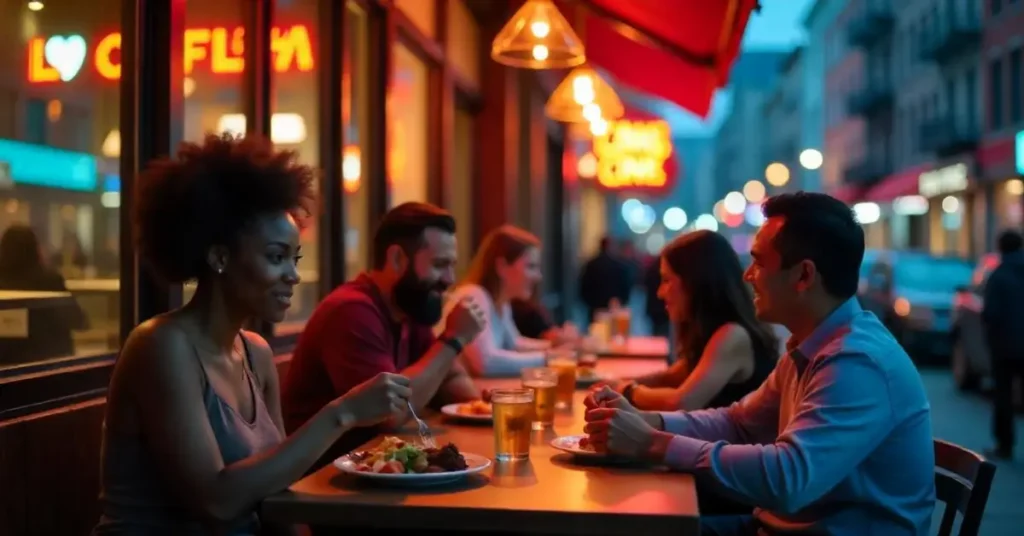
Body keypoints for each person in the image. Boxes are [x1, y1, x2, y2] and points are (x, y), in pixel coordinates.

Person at [93, 134, 412, 536]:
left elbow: (280, 491)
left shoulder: (256, 353)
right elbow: (216, 500)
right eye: (276, 257)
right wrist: (343, 413)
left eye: (293, 260)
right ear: (220, 257)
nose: (293, 275)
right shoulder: (161, 346)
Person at [584, 192, 935, 535]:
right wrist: (648, 421)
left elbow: (788, 478)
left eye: (758, 262)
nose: (747, 275)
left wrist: (651, 442)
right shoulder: (812, 345)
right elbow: (738, 423)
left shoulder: (857, 362)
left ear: (803, 276)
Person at [282, 202, 486, 463]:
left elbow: (452, 379)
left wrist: (481, 407)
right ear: (397, 258)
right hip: (322, 480)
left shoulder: (409, 307)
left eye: (451, 265)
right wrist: (453, 339)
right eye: (439, 264)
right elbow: (389, 414)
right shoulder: (352, 311)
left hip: (373, 470)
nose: (449, 279)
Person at [603, 230, 778, 412]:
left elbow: (681, 402)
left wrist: (626, 390)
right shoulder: (713, 329)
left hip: (728, 440)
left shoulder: (733, 335)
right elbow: (671, 376)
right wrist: (613, 385)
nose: (660, 292)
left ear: (695, 283)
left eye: (667, 280)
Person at [440, 225, 550, 377]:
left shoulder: (500, 302)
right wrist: (548, 358)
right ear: (502, 266)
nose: (538, 276)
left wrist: (558, 350)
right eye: (531, 266)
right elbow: (486, 363)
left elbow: (514, 344)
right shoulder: (474, 296)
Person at [0, 224, 86, 365]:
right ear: (35, 249)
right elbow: (79, 320)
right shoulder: (50, 281)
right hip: (48, 364)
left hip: (6, 368)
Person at [981, 229, 1024, 460]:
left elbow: (991, 313)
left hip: (1005, 346)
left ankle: (1005, 444)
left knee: (1004, 395)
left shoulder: (998, 275)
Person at [579, 236, 631, 324]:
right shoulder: (619, 265)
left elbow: (584, 287)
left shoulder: (591, 265)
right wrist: (622, 301)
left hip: (595, 308)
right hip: (615, 308)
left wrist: (591, 304)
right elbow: (626, 285)